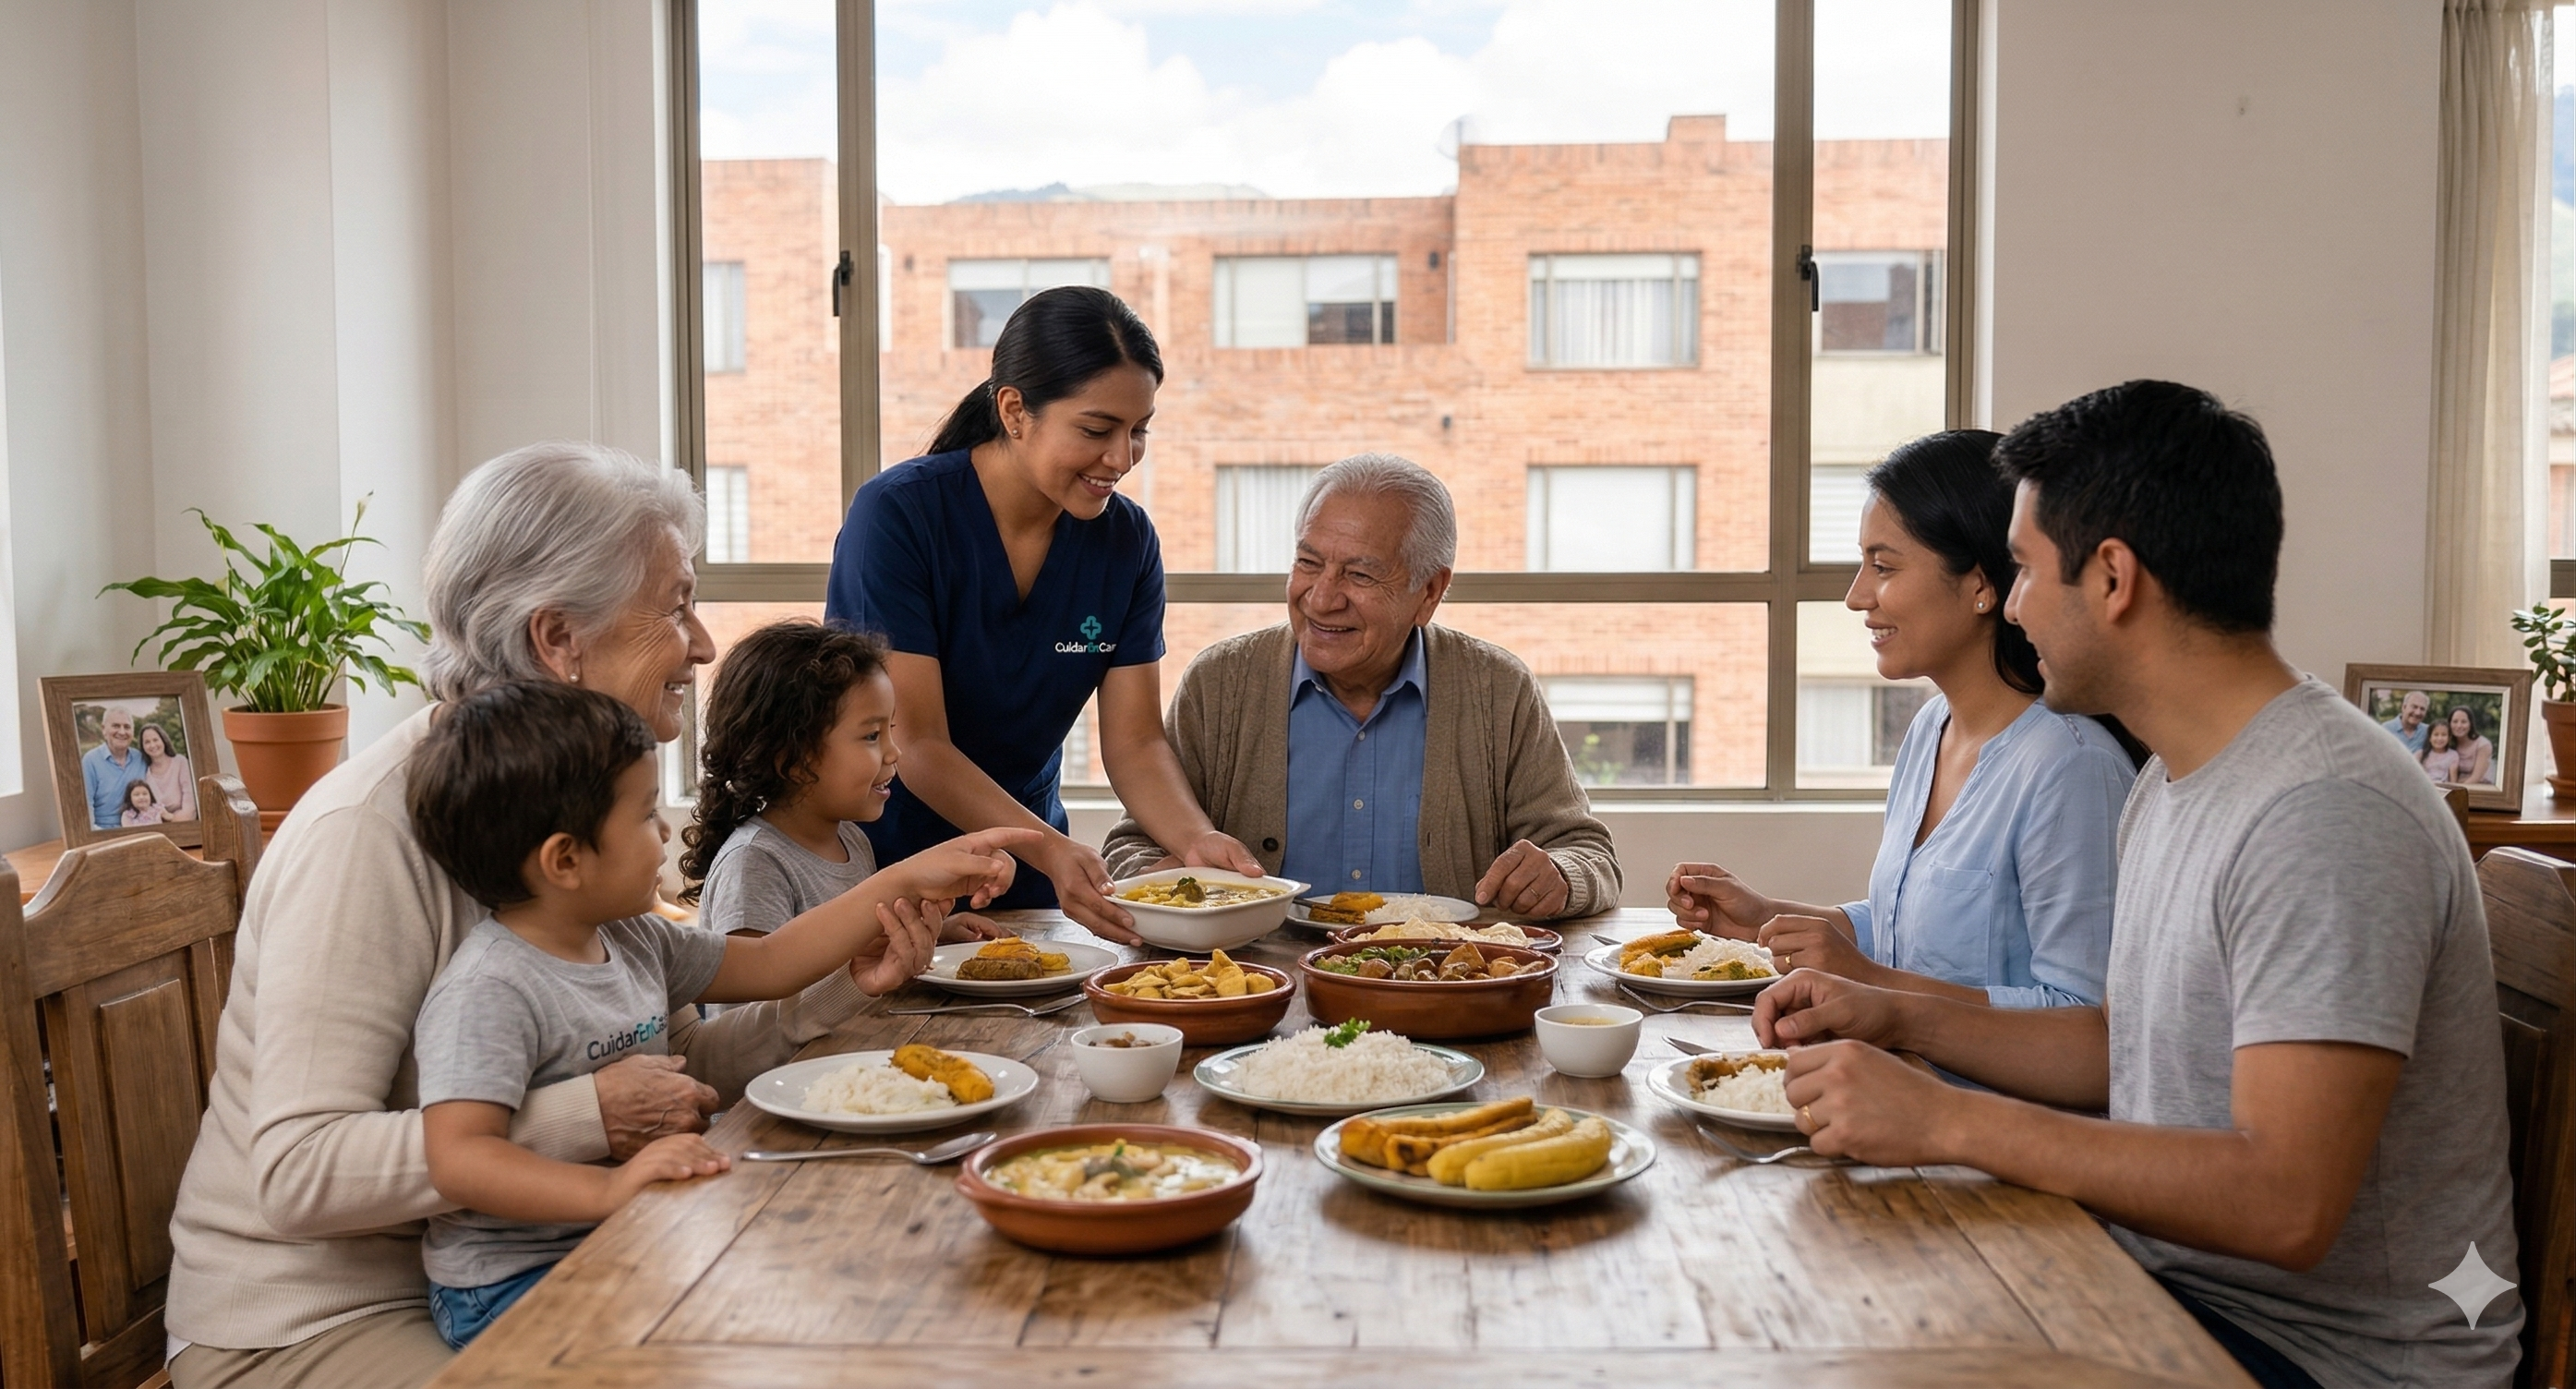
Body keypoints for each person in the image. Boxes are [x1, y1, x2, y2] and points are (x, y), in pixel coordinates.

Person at [1753, 380, 2520, 1388]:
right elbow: (2114, 1045)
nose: (2014, 604)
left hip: (2324, 1357)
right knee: (1813, 1301)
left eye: (2024, 570)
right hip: (2166, 1282)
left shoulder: (2323, 810)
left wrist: (1946, 1120)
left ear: (2112, 577)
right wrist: (1895, 1018)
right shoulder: (2173, 774)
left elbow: (2286, 1203)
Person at [167, 443, 947, 1389]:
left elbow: (676, 1069)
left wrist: (831, 995)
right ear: (557, 639)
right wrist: (584, 1118)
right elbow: (298, 1171)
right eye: (675, 605)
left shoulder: (586, 818)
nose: (701, 645)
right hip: (320, 1317)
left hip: (556, 1252)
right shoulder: (366, 834)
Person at [406, 682, 1023, 1347]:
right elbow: (459, 1159)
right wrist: (608, 1197)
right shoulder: (489, 989)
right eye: (645, 815)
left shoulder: (634, 938)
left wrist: (902, 883)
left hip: (627, 1235)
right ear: (566, 859)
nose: (665, 830)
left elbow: (772, 962)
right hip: (511, 1278)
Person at [825, 284, 1258, 945]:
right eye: (1095, 430)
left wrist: (1196, 840)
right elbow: (917, 743)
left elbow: (1135, 742)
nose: (1121, 459)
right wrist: (1050, 848)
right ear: (1015, 410)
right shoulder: (898, 517)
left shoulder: (1126, 542)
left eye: (1138, 431)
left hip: (1026, 882)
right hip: (892, 874)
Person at [1666, 430, 2134, 1006]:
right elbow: (1910, 930)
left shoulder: (2072, 767)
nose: (1857, 597)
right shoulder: (1931, 728)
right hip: (1889, 1081)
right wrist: (1769, 918)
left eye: (1882, 566)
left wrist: (1867, 980)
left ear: (1982, 584)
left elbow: (2089, 1025)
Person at [1102, 453, 1620, 918]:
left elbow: (1588, 855)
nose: (1321, 598)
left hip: (1439, 986)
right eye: (1308, 563)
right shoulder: (1220, 684)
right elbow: (1129, 848)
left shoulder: (1498, 690)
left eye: (1360, 575)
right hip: (1263, 984)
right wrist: (1170, 880)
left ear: (1430, 592)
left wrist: (1560, 877)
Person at [680, 620, 1011, 945]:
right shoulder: (752, 865)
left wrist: (936, 934)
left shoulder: (852, 841)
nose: (894, 752)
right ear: (792, 759)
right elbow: (746, 998)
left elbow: (854, 951)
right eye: (871, 735)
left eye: (890, 731)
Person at [81, 704, 149, 829]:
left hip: (138, 829)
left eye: (127, 727)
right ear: (103, 729)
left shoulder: (141, 758)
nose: (122, 732)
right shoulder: (90, 760)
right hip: (104, 831)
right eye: (116, 726)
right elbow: (86, 807)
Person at [140, 721, 199, 821]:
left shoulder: (180, 762)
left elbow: (190, 804)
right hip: (159, 827)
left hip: (186, 822)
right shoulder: (145, 773)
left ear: (163, 740)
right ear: (143, 747)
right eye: (147, 742)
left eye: (155, 740)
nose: (152, 745)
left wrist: (172, 819)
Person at [2448, 705, 2496, 786]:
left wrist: (2455, 791)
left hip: (2479, 787)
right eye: (2455, 721)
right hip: (2454, 785)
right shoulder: (2447, 743)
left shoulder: (2483, 744)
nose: (2459, 726)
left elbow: (2476, 777)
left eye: (2464, 722)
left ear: (2470, 724)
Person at [2382, 689, 2431, 755]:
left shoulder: (2428, 732)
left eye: (2422, 709)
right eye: (2414, 707)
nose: (2418, 713)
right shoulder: (2386, 729)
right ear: (2404, 707)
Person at [2420, 718, 2461, 784]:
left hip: (2443, 789)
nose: (2440, 738)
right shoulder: (2421, 754)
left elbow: (2453, 781)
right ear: (2430, 738)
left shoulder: (2453, 755)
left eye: (2444, 735)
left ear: (2449, 738)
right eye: (2436, 735)